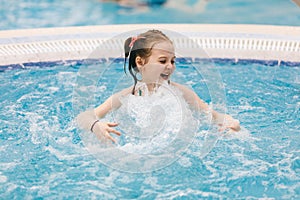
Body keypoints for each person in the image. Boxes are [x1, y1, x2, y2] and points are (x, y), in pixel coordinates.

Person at [77, 29, 240, 143]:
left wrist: (229, 122)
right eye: (163, 61)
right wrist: (95, 126)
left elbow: (210, 114)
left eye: (173, 61)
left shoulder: (182, 93)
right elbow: (83, 117)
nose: (170, 66)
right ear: (140, 62)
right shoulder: (125, 97)